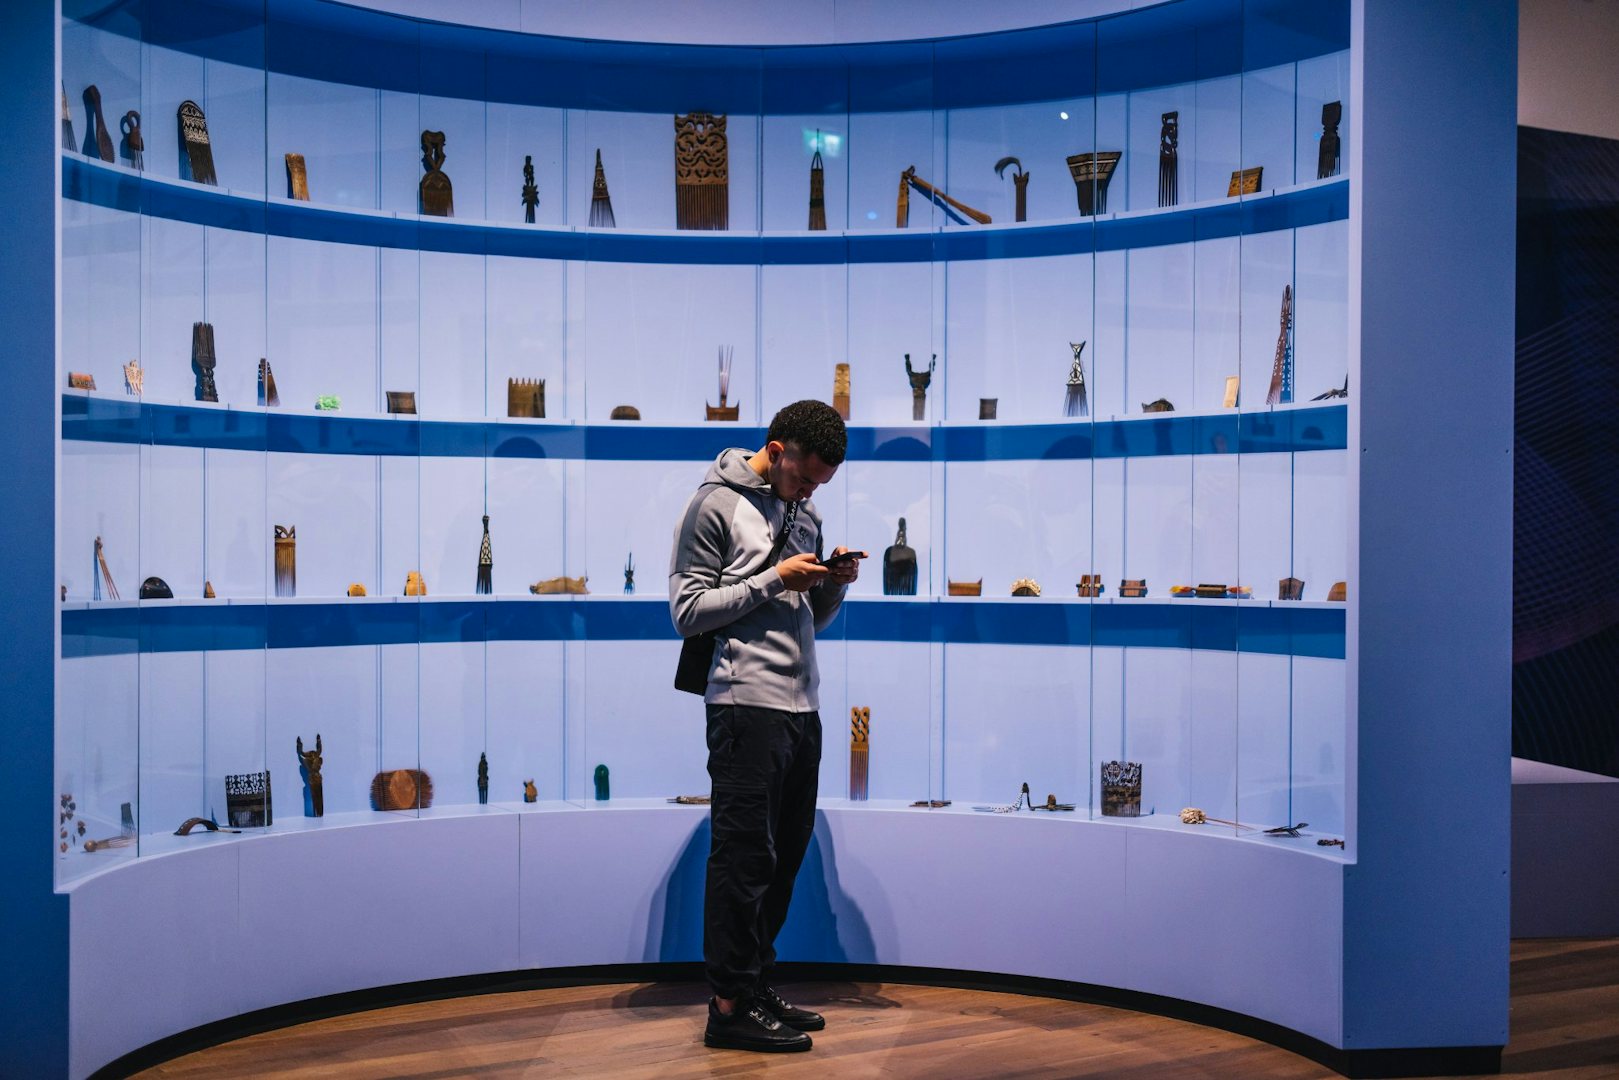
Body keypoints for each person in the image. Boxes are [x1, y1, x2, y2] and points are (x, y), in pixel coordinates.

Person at [669, 399, 864, 1053]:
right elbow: (687, 610)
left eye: (819, 485)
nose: (809, 492)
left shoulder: (804, 511)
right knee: (743, 860)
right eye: (804, 477)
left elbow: (813, 618)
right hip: (741, 704)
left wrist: (832, 583)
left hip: (800, 707)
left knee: (781, 860)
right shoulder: (713, 504)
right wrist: (774, 577)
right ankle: (726, 1006)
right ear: (775, 451)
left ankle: (751, 986)